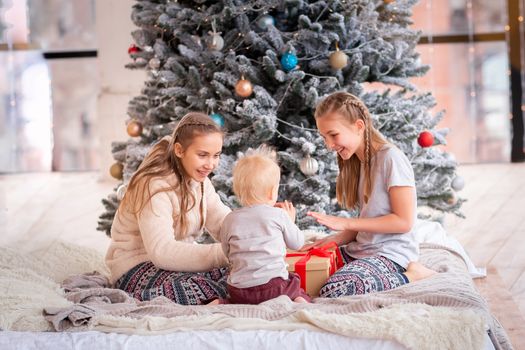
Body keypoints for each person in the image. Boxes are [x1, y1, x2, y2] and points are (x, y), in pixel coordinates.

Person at [304, 91, 435, 297]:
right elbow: (369, 219)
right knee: (300, 273)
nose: (329, 145)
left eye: (333, 135)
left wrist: (346, 223)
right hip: (361, 250)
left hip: (390, 254)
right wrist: (336, 239)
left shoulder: (391, 158)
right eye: (324, 138)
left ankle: (414, 275)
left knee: (335, 289)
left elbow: (404, 221)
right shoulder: (360, 162)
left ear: (359, 126)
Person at [105, 112, 232, 305]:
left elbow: (223, 221)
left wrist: (251, 239)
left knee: (240, 273)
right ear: (180, 150)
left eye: (216, 156)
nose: (210, 164)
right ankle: (133, 299)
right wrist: (221, 253)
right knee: (201, 286)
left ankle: (216, 296)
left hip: (175, 267)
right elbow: (162, 252)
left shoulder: (200, 182)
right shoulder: (153, 185)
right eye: (202, 155)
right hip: (136, 268)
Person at [218, 146, 310, 304]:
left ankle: (221, 303)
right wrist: (291, 221)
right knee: (295, 284)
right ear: (272, 192)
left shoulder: (230, 219)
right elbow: (297, 243)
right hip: (274, 288)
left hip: (240, 291)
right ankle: (299, 301)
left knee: (232, 298)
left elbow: (227, 251)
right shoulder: (279, 215)